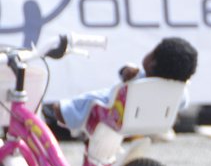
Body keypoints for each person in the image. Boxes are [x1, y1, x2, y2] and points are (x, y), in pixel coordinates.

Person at [43, 37, 198, 136]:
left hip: (114, 118)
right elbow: (183, 103)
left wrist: (128, 73)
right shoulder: (179, 92)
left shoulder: (140, 82)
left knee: (94, 98)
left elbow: (128, 74)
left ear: (152, 62)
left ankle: (61, 111)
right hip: (146, 124)